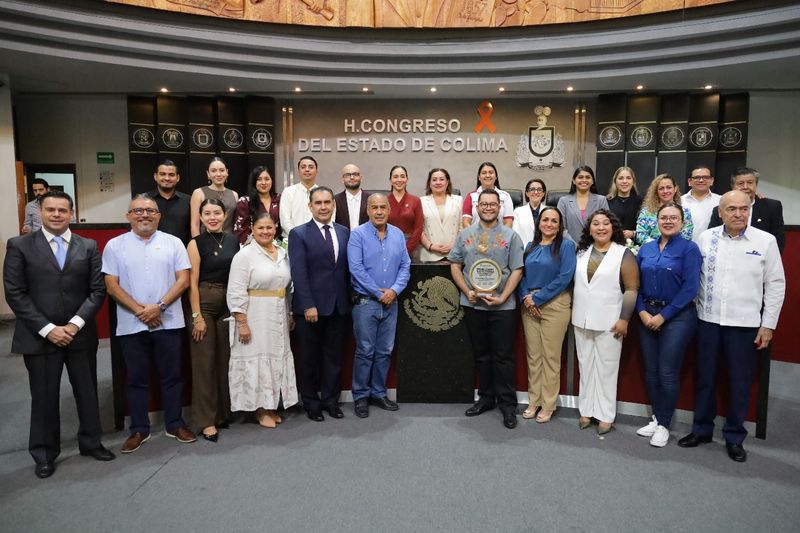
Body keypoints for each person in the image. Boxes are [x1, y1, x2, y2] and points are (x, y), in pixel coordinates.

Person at [4, 191, 114, 479]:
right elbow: (15, 293)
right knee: (44, 397)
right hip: (39, 336)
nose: (56, 214)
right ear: (40, 211)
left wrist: (75, 324)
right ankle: (44, 453)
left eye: (62, 210)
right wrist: (49, 329)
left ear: (71, 213)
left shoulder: (88, 246)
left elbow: (97, 290)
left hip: (80, 334)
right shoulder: (20, 245)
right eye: (50, 209)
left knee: (87, 392)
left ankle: (91, 443)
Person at [678, 190, 785, 462]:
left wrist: (768, 325)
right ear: (721, 212)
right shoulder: (706, 238)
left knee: (739, 383)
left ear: (749, 210)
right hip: (708, 322)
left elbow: (775, 285)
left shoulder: (766, 241)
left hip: (745, 325)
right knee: (705, 380)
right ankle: (701, 429)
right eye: (732, 209)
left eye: (743, 209)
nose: (738, 214)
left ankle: (735, 437)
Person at [103, 195, 196, 453]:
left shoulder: (173, 243)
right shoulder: (114, 246)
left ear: (158, 215)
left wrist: (159, 307)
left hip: (169, 322)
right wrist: (140, 310)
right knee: (136, 379)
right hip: (132, 324)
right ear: (128, 216)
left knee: (173, 377)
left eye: (150, 211)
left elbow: (183, 280)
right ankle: (139, 429)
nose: (144, 215)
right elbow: (111, 285)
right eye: (138, 211)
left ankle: (175, 423)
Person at [449, 189, 524, 429]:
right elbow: (455, 265)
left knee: (503, 357)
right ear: (477, 207)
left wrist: (503, 296)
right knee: (481, 355)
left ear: (499, 207)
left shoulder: (511, 236)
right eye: (484, 204)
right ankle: (486, 398)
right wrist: (466, 290)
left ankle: (507, 405)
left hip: (503, 307)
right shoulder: (465, 235)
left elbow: (517, 270)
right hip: (473, 305)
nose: (488, 207)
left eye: (493, 204)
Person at [635, 203, 701, 447]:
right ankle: (656, 417)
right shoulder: (646, 249)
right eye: (664, 217)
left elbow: (690, 288)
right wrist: (641, 311)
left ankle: (664, 424)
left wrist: (663, 316)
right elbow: (636, 284)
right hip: (646, 314)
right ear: (657, 221)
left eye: (674, 218)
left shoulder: (690, 249)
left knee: (667, 372)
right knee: (651, 371)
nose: (669, 221)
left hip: (678, 316)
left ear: (682, 222)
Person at [227, 213, 298, 428]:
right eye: (260, 228)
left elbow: (286, 289)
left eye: (269, 227)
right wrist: (241, 321)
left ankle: (271, 406)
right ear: (252, 229)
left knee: (276, 356)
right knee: (256, 358)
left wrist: (289, 313)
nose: (265, 232)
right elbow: (235, 290)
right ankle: (259, 409)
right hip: (254, 314)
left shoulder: (283, 254)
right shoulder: (244, 255)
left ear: (275, 228)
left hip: (277, 313)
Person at [572, 209, 639, 435]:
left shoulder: (624, 254)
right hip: (581, 319)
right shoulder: (581, 252)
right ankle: (586, 410)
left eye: (605, 224)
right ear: (589, 229)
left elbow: (631, 289)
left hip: (611, 322)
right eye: (596, 224)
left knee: (607, 370)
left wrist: (624, 319)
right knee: (586, 366)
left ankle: (605, 415)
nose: (601, 228)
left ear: (613, 228)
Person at [289, 187, 351, 421]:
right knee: (309, 358)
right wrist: (307, 305)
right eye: (318, 203)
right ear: (310, 206)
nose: (323, 206)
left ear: (333, 205)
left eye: (327, 202)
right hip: (310, 309)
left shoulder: (344, 232)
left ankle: (330, 401)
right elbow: (299, 272)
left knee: (334, 358)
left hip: (339, 307)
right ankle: (311, 403)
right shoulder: (299, 233)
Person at [348, 193, 411, 418]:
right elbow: (356, 269)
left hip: (391, 303)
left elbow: (405, 266)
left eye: (382, 207)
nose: (379, 211)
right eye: (374, 207)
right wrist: (377, 292)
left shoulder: (397, 235)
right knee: (365, 351)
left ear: (389, 210)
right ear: (367, 210)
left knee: (384, 352)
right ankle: (361, 397)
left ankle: (378, 393)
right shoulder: (357, 235)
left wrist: (394, 291)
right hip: (366, 303)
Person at [187, 199, 239, 442]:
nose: (212, 217)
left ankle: (222, 414)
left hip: (228, 303)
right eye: (206, 213)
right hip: (205, 302)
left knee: (224, 361)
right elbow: (192, 282)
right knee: (204, 364)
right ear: (200, 216)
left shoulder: (233, 240)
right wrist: (197, 316)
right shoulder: (195, 243)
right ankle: (206, 421)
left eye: (216, 212)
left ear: (224, 214)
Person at [518, 206, 576, 424]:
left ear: (559, 225)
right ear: (539, 223)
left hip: (555, 304)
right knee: (534, 357)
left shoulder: (566, 246)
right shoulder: (530, 246)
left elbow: (565, 277)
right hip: (529, 305)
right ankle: (534, 400)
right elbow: (521, 274)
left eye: (554, 221)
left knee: (551, 357)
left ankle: (549, 403)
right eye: (545, 220)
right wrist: (526, 297)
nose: (549, 224)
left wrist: (538, 298)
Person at [707, 166, 785, 252]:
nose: (745, 187)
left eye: (750, 183)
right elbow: (712, 236)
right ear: (732, 186)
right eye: (740, 183)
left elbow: (778, 240)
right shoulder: (720, 209)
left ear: (756, 184)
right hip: (726, 255)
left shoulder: (772, 207)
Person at [635, 173, 693, 244]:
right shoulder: (646, 212)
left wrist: (670, 246)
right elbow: (640, 235)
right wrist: (658, 246)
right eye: (661, 188)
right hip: (652, 251)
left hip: (678, 252)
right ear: (656, 191)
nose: (665, 191)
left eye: (669, 187)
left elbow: (687, 235)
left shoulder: (685, 212)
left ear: (675, 189)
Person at [419, 167, 462, 262]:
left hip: (455, 253)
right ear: (429, 183)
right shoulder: (421, 201)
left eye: (442, 179)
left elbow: (462, 228)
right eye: (434, 180)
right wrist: (430, 246)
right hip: (429, 254)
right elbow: (419, 229)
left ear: (447, 183)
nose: (438, 182)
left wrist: (454, 245)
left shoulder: (458, 200)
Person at [557, 165, 610, 242]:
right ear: (574, 181)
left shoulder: (601, 200)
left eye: (588, 177)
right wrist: (574, 246)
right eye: (580, 177)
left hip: (595, 246)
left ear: (592, 181)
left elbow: (606, 225)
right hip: (570, 247)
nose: (584, 180)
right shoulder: (563, 201)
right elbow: (561, 228)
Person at [233, 165, 282, 245]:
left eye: (267, 179)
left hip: (277, 246)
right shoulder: (245, 202)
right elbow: (241, 231)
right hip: (253, 247)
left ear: (271, 181)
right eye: (259, 179)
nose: (263, 183)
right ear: (254, 182)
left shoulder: (279, 199)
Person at [146, 160, 192, 245]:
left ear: (177, 178)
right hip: (150, 252)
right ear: (155, 176)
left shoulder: (188, 200)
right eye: (162, 174)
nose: (167, 178)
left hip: (181, 253)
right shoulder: (144, 200)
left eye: (171, 175)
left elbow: (193, 229)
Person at [190, 157, 239, 236]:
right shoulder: (198, 193)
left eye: (222, 170)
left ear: (227, 172)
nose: (218, 174)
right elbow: (194, 225)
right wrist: (197, 244)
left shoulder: (234, 195)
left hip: (229, 242)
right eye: (213, 171)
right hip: (205, 241)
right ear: (208, 174)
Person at [461, 162, 515, 228]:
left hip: (499, 237)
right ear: (479, 177)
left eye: (491, 172)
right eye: (484, 173)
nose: (487, 175)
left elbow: (508, 223)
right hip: (475, 237)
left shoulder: (505, 196)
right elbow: (466, 222)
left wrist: (500, 238)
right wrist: (474, 237)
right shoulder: (471, 196)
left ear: (496, 177)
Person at [387, 164, 424, 256]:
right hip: (388, 246)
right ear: (390, 180)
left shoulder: (415, 200)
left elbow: (418, 228)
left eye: (402, 176)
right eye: (395, 177)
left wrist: (407, 249)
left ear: (407, 179)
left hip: (411, 247)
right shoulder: (384, 201)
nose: (399, 180)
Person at [280, 156, 319, 239]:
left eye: (311, 167)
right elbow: (285, 221)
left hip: (317, 240)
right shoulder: (288, 192)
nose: (307, 169)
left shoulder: (322, 193)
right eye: (303, 167)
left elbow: (329, 219)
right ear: (298, 171)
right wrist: (299, 236)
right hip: (293, 240)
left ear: (316, 171)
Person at [681, 165, 720, 243]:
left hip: (713, 246)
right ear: (689, 181)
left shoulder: (721, 200)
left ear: (712, 180)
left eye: (706, 177)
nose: (701, 180)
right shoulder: (679, 201)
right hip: (685, 247)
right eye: (696, 177)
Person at [606, 166, 642, 242]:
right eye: (621, 178)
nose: (625, 181)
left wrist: (633, 233)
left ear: (633, 181)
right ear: (615, 181)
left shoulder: (641, 202)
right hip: (611, 244)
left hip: (634, 246)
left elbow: (646, 227)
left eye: (628, 178)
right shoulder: (606, 201)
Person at [512, 178, 547, 245]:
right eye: (532, 189)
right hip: (524, 252)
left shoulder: (549, 212)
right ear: (527, 193)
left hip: (545, 251)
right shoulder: (518, 212)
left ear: (543, 194)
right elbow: (516, 235)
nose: (536, 192)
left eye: (539, 189)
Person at [334, 163, 369, 230]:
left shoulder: (370, 199)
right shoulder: (335, 200)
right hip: (344, 240)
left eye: (355, 174)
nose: (352, 177)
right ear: (342, 179)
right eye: (348, 175)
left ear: (361, 178)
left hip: (366, 239)